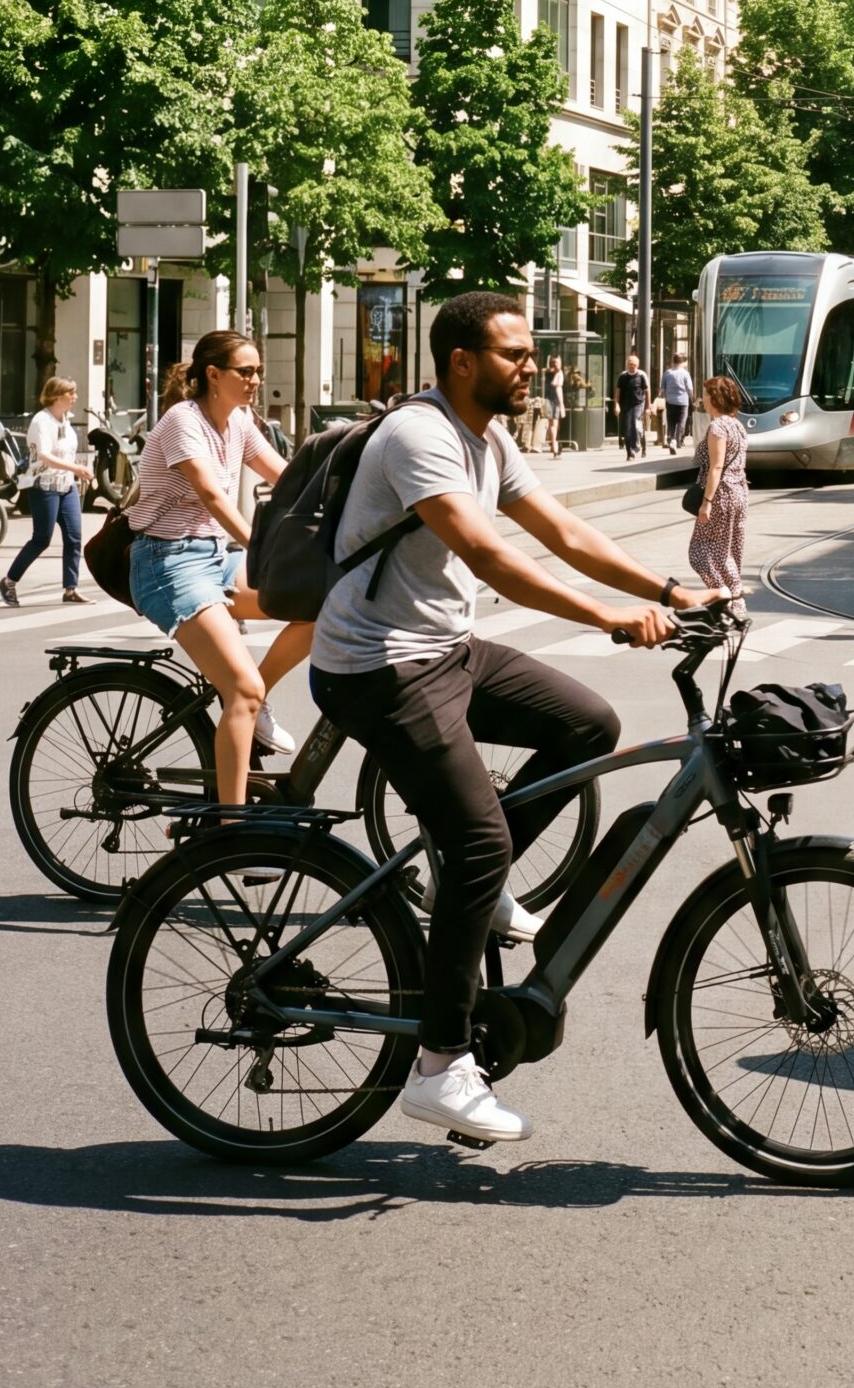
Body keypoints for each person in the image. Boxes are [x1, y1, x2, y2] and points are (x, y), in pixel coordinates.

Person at [309, 289, 721, 1147]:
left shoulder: (489, 440)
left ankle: (469, 888)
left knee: (587, 724)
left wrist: (670, 591)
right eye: (514, 353)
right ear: (462, 362)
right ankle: (440, 1067)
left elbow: (563, 532)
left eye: (530, 352)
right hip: (377, 667)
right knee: (480, 843)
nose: (531, 364)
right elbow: (489, 554)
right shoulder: (419, 436)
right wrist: (607, 618)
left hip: (445, 650)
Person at [124, 333, 306, 805]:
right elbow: (211, 494)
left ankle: (254, 701)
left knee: (319, 603)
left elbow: (287, 477)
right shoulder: (182, 421)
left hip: (214, 558)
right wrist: (260, 546)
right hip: (167, 563)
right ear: (213, 375)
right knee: (242, 688)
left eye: (258, 371)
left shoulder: (239, 421)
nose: (255, 380)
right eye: (245, 371)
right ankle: (231, 826)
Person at [0, 376, 86, 606]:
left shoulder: (66, 420)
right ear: (56, 396)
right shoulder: (41, 421)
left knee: (74, 538)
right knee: (41, 539)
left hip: (67, 486)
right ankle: (8, 581)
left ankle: (71, 589)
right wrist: (76, 468)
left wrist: (75, 472)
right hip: (44, 486)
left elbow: (66, 452)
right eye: (70, 393)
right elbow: (45, 455)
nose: (75, 397)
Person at [687, 373, 752, 599]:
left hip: (721, 496)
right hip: (739, 493)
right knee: (728, 551)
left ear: (715, 398)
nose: (703, 399)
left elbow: (716, 466)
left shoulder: (717, 427)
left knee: (700, 552)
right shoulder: (737, 426)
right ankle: (732, 600)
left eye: (706, 395)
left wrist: (707, 502)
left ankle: (727, 596)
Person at [615, 352, 650, 460]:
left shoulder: (642, 375)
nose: (632, 366)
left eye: (634, 365)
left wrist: (648, 407)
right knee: (628, 428)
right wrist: (616, 404)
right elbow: (618, 391)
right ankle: (629, 453)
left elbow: (647, 391)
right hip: (625, 405)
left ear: (637, 365)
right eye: (630, 364)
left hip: (638, 404)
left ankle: (636, 448)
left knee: (635, 424)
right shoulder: (623, 376)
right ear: (627, 364)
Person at [661, 355, 694, 451]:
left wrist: (665, 396)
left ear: (673, 361)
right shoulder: (685, 374)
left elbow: (662, 390)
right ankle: (676, 441)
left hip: (670, 402)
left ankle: (671, 440)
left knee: (671, 422)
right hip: (683, 402)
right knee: (681, 422)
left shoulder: (667, 373)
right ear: (682, 362)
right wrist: (692, 398)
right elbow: (689, 389)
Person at [540, 356, 566, 457]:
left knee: (553, 424)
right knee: (554, 424)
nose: (558, 365)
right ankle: (554, 445)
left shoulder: (547, 372)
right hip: (554, 401)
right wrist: (561, 404)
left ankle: (553, 444)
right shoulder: (558, 374)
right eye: (556, 363)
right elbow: (558, 389)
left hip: (548, 400)